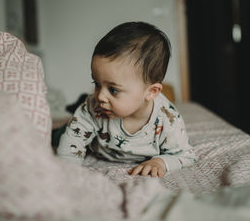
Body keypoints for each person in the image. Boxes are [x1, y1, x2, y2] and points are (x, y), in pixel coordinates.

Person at [57, 21, 197, 177]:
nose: (100, 96)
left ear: (151, 92)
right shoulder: (94, 106)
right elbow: (71, 146)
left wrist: (160, 162)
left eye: (113, 89)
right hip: (92, 141)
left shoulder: (168, 119)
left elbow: (186, 155)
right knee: (61, 134)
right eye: (96, 83)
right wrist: (67, 171)